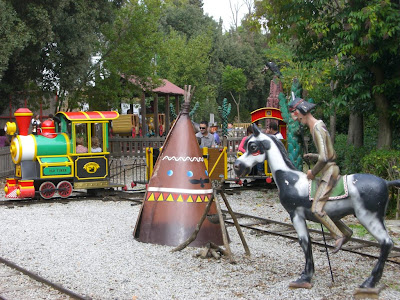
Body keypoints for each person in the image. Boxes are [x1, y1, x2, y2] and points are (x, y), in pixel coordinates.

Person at [289, 97, 352, 253]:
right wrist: (314, 155)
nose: (298, 121)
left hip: (329, 172)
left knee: (316, 209)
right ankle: (346, 232)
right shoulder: (319, 125)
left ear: (300, 113)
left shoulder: (316, 127)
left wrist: (312, 172)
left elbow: (325, 158)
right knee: (322, 206)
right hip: (329, 169)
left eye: (297, 117)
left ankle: (338, 236)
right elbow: (329, 154)